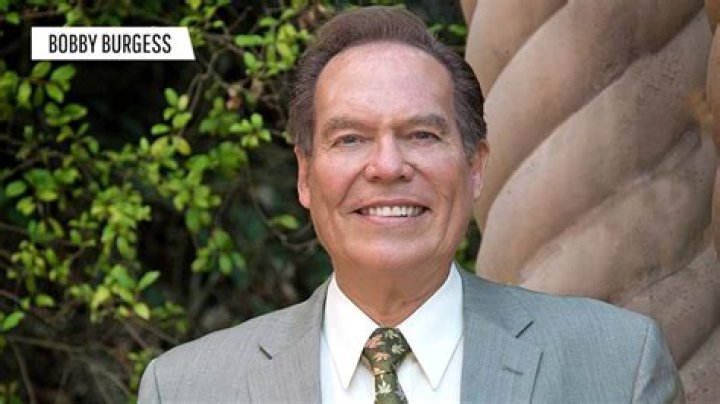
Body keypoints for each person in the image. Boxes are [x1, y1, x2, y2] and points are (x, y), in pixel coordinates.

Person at [138, 6, 683, 403]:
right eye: (350, 138)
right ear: (305, 175)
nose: (387, 166)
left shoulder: (618, 366)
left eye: (422, 135)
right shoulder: (187, 388)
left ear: (474, 167)